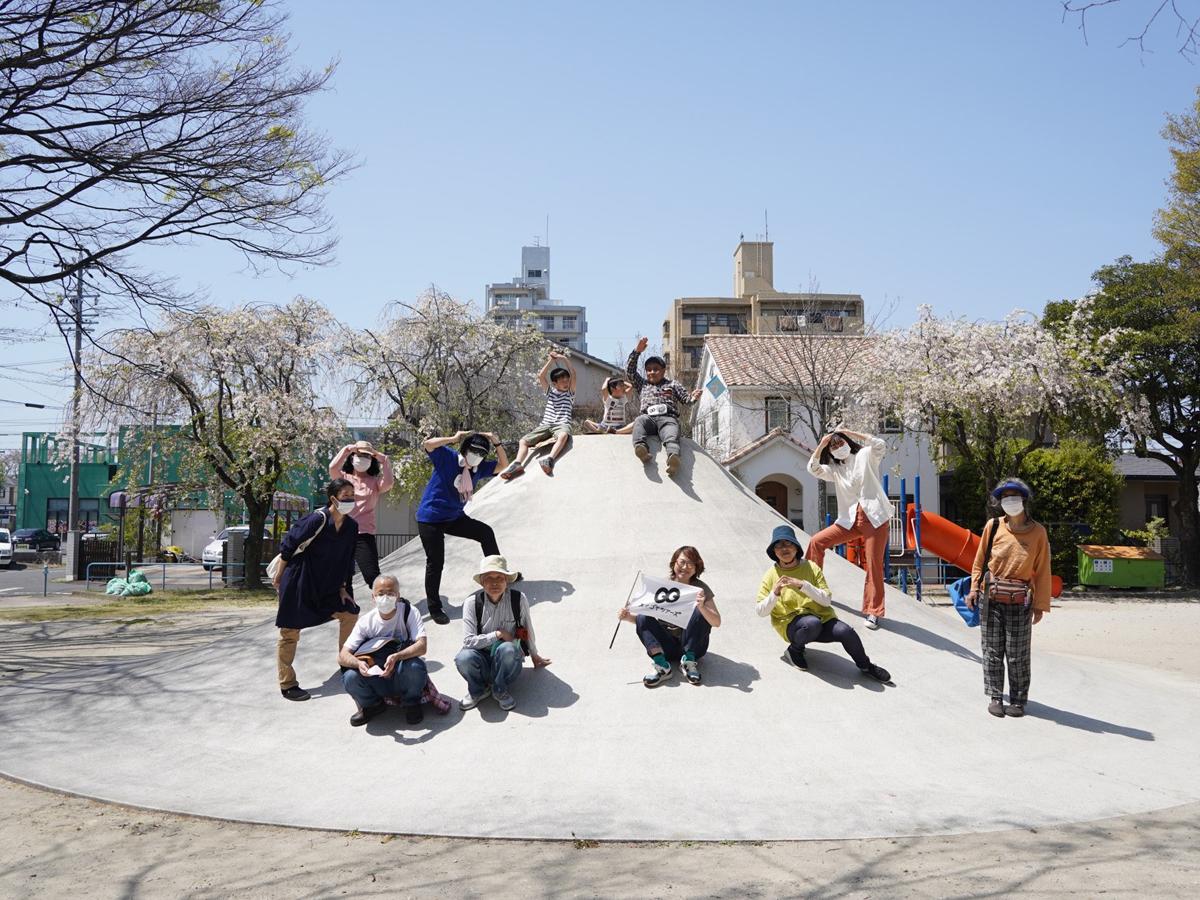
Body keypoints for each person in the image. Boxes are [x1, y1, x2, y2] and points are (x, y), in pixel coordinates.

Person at [756, 524, 891, 683]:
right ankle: (794, 650)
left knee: (846, 631)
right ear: (774, 552)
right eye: (778, 546)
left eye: (787, 544)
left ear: (796, 547)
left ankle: (866, 666)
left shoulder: (811, 568)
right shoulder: (771, 575)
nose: (783, 549)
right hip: (792, 625)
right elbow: (761, 611)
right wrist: (775, 593)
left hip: (822, 619)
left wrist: (803, 585)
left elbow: (826, 600)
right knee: (811, 623)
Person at [965, 478, 1052, 719]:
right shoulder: (993, 527)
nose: (1009, 500)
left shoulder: (1038, 532)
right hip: (990, 597)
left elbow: (1043, 570)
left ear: (1024, 499)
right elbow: (979, 561)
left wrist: (1040, 605)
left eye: (1014, 495)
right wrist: (974, 589)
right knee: (992, 649)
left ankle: (1017, 700)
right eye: (1005, 496)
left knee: (1018, 653)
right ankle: (995, 696)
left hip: (1020, 601)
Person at [273, 479, 362, 702]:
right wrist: (280, 575)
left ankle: (346, 662)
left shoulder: (352, 526)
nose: (350, 498)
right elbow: (289, 545)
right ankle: (287, 683)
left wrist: (344, 588)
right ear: (333, 498)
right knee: (290, 632)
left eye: (353, 494)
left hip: (329, 585)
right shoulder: (317, 519)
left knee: (350, 613)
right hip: (299, 581)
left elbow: (347, 560)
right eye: (345, 494)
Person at [417, 430, 508, 626]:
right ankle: (434, 607)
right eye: (474, 451)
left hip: (453, 517)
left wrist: (496, 442)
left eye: (482, 453)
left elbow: (503, 466)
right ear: (465, 449)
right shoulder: (448, 457)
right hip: (430, 518)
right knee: (436, 561)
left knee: (485, 532)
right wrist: (453, 438)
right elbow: (428, 444)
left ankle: (498, 574)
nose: (477, 456)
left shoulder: (479, 468)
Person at [805, 429, 893, 630]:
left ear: (847, 442)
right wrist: (821, 445)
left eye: (840, 443)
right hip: (849, 519)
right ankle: (813, 590)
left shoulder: (865, 455)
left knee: (873, 564)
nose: (838, 447)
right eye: (833, 446)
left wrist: (849, 432)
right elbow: (813, 468)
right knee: (816, 542)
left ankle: (873, 611)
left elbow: (880, 444)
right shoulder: (834, 469)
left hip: (874, 517)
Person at [455, 554, 551, 712]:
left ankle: (500, 690)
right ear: (482, 582)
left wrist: (534, 654)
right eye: (489, 578)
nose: (494, 583)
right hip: (481, 657)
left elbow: (527, 627)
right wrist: (498, 634)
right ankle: (478, 690)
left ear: (506, 581)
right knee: (463, 657)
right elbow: (468, 641)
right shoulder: (471, 603)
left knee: (508, 649)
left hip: (507, 659)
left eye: (499, 577)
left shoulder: (518, 599)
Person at [617, 545, 721, 687]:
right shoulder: (661, 586)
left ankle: (689, 663)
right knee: (642, 615)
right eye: (682, 562)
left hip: (694, 648)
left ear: (697, 567)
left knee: (700, 611)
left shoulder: (700, 589)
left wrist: (702, 607)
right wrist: (628, 617)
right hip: (667, 647)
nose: (685, 567)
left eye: (691, 564)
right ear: (674, 563)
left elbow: (716, 622)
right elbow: (645, 623)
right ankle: (662, 666)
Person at [337, 574, 428, 726]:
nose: (385, 597)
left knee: (415, 667)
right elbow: (342, 655)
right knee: (350, 677)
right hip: (374, 674)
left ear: (398, 596)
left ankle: (411, 702)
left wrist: (397, 656)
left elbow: (422, 646)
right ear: (373, 597)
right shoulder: (366, 622)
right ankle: (372, 705)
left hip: (400, 669)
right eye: (380, 594)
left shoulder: (409, 612)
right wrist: (358, 664)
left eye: (390, 593)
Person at [626, 336, 702, 475]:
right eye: (648, 370)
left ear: (663, 370)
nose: (652, 372)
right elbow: (630, 371)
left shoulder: (672, 384)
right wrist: (637, 352)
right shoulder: (642, 384)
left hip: (667, 418)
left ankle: (673, 457)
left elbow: (686, 399)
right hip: (648, 418)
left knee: (671, 432)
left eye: (656, 369)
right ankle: (641, 448)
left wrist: (693, 397)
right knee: (639, 421)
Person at [328, 440, 395, 592]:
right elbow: (332, 468)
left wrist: (384, 460)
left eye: (367, 456)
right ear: (352, 458)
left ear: (372, 460)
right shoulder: (344, 478)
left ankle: (386, 603)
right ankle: (346, 609)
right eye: (359, 455)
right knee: (343, 577)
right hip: (342, 532)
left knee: (372, 575)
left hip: (364, 534)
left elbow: (389, 483)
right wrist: (346, 449)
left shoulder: (374, 482)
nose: (362, 458)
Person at [500, 350, 576, 478]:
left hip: (562, 424)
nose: (566, 382)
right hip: (545, 425)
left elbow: (573, 374)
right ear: (554, 383)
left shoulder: (570, 393)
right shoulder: (550, 392)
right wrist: (551, 361)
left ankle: (550, 459)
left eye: (567, 380)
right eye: (562, 380)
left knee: (563, 435)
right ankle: (518, 464)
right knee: (523, 441)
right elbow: (541, 376)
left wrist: (563, 359)